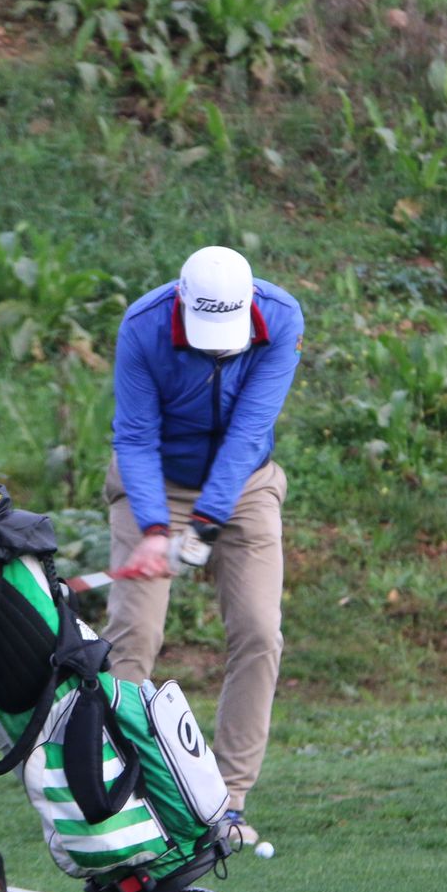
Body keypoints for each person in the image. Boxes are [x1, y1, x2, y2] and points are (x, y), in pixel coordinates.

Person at [104, 246, 303, 849]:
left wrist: (208, 521)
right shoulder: (143, 327)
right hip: (155, 485)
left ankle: (227, 800)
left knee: (259, 631)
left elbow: (249, 430)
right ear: (182, 304)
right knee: (134, 636)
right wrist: (159, 530)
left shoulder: (282, 318)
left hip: (243, 487)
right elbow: (134, 438)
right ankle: (120, 790)